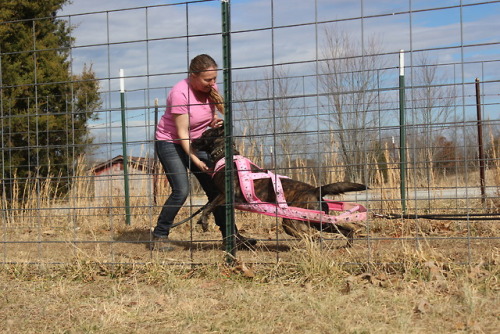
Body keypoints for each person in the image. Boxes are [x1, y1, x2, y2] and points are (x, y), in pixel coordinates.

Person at [152, 54, 256, 251]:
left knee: (217, 190)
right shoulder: (180, 93)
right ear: (193, 76)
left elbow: (207, 117)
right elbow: (182, 133)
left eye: (215, 79)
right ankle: (159, 236)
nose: (213, 83)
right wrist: (195, 160)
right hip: (171, 142)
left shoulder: (210, 89)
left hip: (198, 142)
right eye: (208, 79)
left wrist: (214, 122)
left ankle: (231, 237)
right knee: (181, 190)